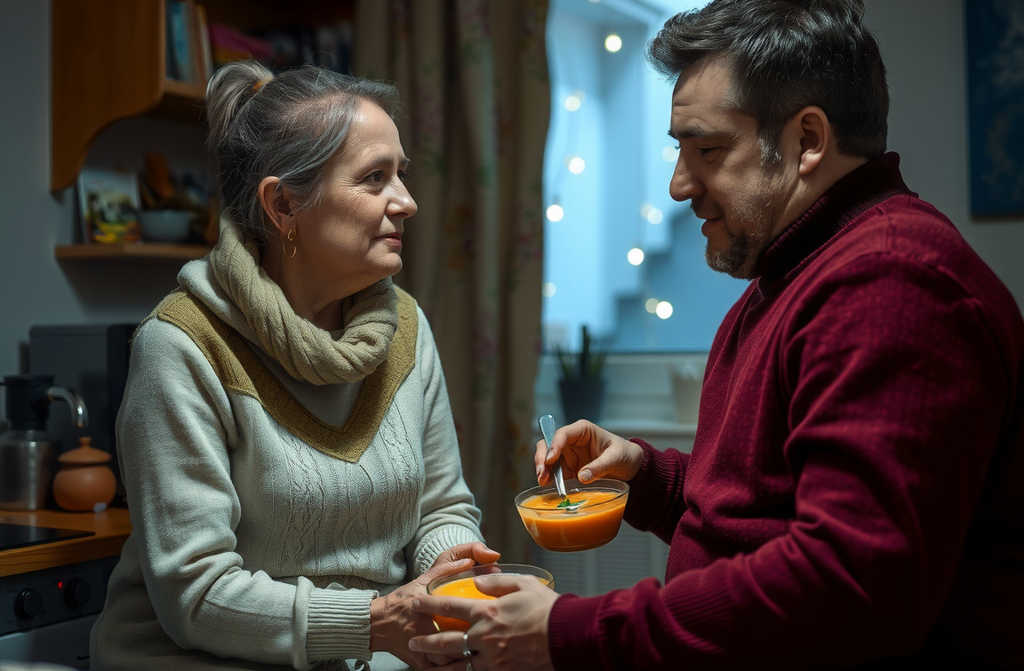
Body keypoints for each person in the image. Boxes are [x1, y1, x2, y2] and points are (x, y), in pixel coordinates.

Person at [408, 1, 1024, 669]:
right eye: (679, 149)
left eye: (707, 150)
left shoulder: (890, 283)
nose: (678, 185)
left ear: (808, 140)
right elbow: (758, 519)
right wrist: (649, 478)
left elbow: (848, 589)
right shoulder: (792, 275)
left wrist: (570, 631)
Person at [89, 61, 500, 671]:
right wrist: (374, 622)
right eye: (375, 178)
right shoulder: (182, 346)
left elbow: (441, 507)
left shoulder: (406, 330)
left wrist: (451, 573)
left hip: (369, 650)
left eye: (402, 175)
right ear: (283, 205)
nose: (407, 202)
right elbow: (195, 593)